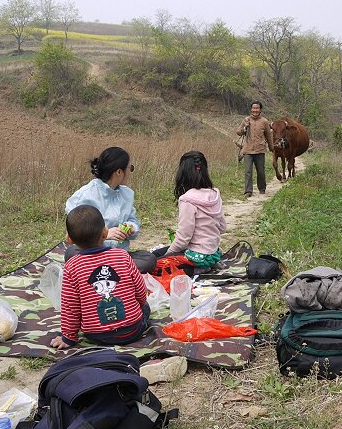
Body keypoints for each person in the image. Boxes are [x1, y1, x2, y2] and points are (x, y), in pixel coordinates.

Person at [51, 205, 150, 350]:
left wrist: (69, 337)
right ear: (105, 232)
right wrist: (137, 309)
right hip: (133, 331)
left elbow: (70, 306)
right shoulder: (122, 256)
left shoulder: (71, 266)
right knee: (145, 307)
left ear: (69, 239)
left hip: (96, 335)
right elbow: (141, 292)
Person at [65, 146, 156, 273]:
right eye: (129, 168)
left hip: (117, 255)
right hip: (91, 254)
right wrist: (105, 234)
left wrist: (131, 227)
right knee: (71, 253)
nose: (130, 172)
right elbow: (75, 233)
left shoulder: (127, 194)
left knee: (149, 258)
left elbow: (133, 221)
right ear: (119, 172)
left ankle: (103, 271)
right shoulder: (86, 194)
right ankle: (117, 271)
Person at [156, 151, 227, 269]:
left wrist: (168, 255)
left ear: (183, 173)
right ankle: (208, 265)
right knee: (161, 253)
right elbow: (223, 227)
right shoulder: (215, 194)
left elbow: (184, 238)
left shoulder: (187, 200)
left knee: (156, 259)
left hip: (195, 258)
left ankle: (198, 270)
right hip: (214, 254)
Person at [236, 100, 274, 197]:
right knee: (248, 171)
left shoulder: (264, 121)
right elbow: (238, 132)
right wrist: (245, 128)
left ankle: (262, 188)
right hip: (248, 150)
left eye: (257, 108)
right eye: (253, 108)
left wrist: (271, 147)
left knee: (260, 171)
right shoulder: (246, 120)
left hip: (260, 149)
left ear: (260, 109)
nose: (255, 110)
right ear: (251, 109)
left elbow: (268, 136)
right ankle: (248, 191)